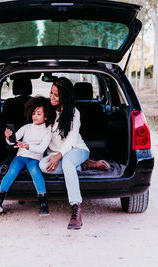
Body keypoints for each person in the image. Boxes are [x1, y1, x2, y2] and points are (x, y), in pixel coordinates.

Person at [39, 77, 107, 230]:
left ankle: (76, 208)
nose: (51, 97)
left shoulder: (74, 113)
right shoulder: (48, 111)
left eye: (56, 95)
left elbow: (70, 141)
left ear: (65, 95)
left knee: (68, 162)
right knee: (42, 165)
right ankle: (83, 166)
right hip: (57, 154)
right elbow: (38, 133)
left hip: (77, 150)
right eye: (51, 93)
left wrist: (58, 156)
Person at [0, 96, 56, 216]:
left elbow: (41, 149)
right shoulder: (26, 127)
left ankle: (43, 203)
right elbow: (13, 140)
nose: (35, 116)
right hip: (20, 157)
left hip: (34, 159)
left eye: (38, 114)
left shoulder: (47, 132)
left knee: (35, 172)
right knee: (12, 171)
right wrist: (8, 137)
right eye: (33, 113)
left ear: (46, 117)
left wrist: (27, 146)